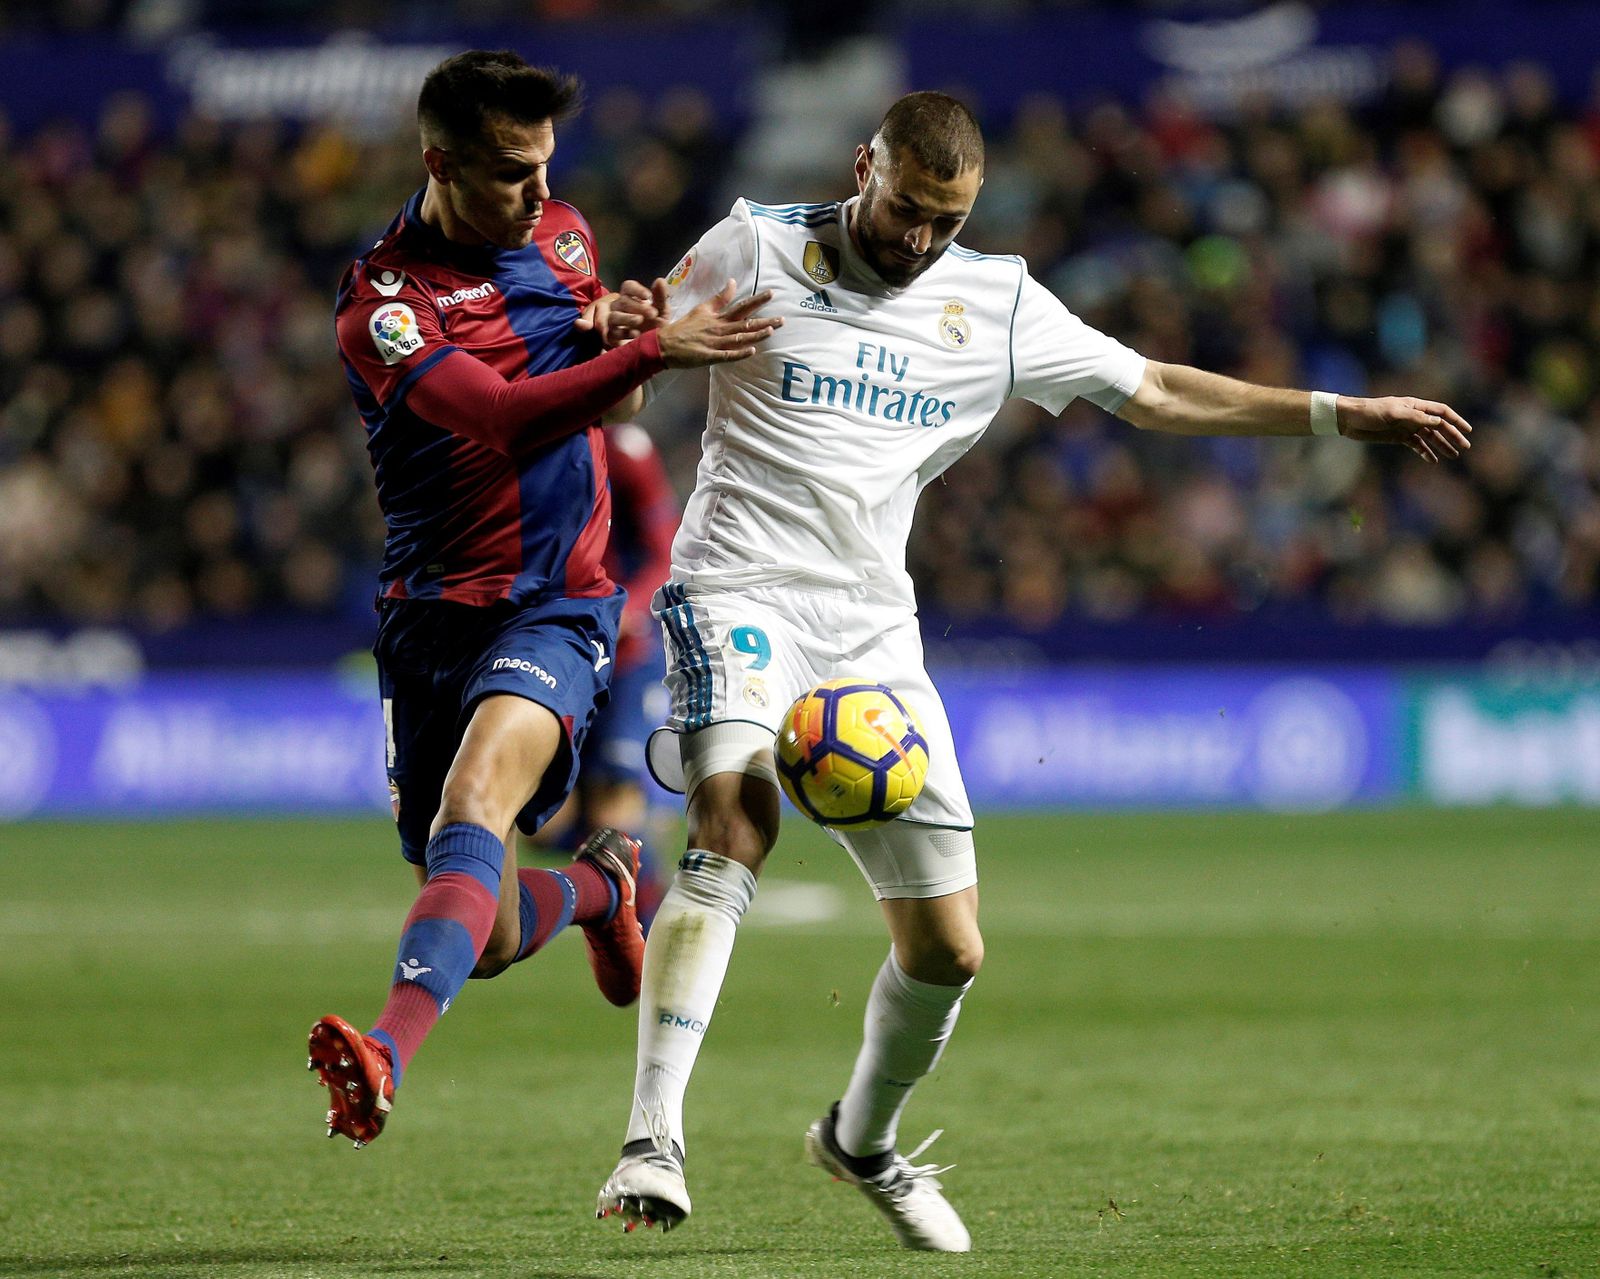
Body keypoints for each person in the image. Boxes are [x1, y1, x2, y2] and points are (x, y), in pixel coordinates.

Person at [591, 92, 1472, 1249]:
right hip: (734, 589)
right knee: (733, 819)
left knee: (950, 950)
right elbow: (627, 390)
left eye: (943, 221)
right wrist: (628, 341)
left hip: (872, 630)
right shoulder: (751, 245)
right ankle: (652, 1138)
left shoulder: (992, 300)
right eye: (906, 208)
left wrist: (1341, 415)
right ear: (866, 166)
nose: (918, 239)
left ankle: (859, 1140)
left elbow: (1153, 389)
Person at [307, 49, 781, 1149]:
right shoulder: (385, 302)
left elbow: (578, 345)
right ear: (440, 164)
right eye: (512, 173)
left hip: (554, 605)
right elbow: (502, 417)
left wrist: (613, 322)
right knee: (497, 924)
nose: (538, 192)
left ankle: (384, 1053)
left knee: (474, 801)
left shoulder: (561, 234)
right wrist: (651, 345)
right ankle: (607, 890)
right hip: (430, 616)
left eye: (545, 166)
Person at [524, 421, 683, 932]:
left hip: (629, 655)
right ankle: (630, 873)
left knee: (614, 808)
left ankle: (652, 932)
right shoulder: (529, 443)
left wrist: (630, 608)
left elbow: (667, 551)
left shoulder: (626, 451)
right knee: (546, 827)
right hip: (561, 651)